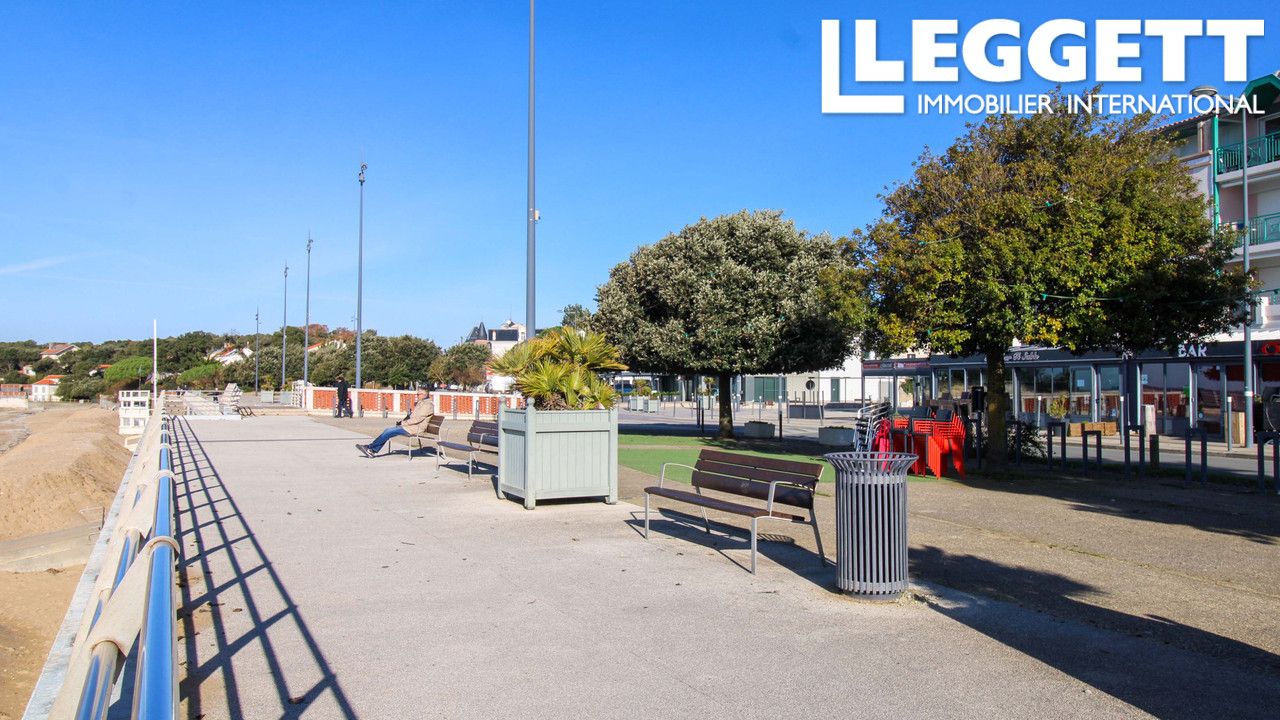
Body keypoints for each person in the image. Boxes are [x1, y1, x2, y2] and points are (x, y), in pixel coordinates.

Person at [357, 393, 435, 457]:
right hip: (411, 427)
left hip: (416, 429)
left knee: (389, 431)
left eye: (419, 394)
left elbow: (418, 419)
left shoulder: (427, 405)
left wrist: (403, 423)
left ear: (425, 394)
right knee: (388, 430)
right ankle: (372, 450)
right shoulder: (422, 403)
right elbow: (414, 417)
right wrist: (403, 422)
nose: (417, 395)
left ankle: (370, 449)